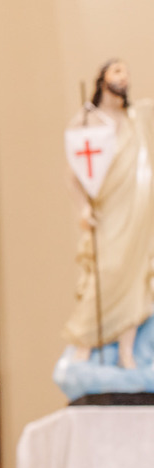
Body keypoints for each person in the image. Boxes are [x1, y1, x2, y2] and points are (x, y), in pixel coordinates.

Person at [62, 59, 154, 368]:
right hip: (108, 212)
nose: (124, 77)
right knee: (106, 273)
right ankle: (84, 346)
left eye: (127, 72)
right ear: (102, 79)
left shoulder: (134, 117)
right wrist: (83, 208)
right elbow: (75, 175)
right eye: (117, 71)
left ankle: (126, 353)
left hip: (137, 213)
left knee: (135, 277)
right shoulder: (89, 120)